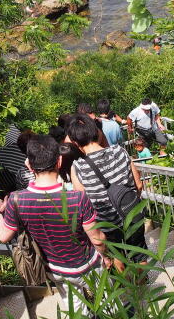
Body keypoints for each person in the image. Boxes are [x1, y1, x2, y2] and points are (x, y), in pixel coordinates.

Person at [0, 135, 110, 316]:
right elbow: (97, 240)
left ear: (29, 165)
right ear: (59, 161)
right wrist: (105, 257)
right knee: (107, 301)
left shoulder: (16, 200)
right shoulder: (77, 198)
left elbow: (4, 236)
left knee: (75, 306)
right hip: (88, 265)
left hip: (56, 269)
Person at [66, 114, 147, 271]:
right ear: (97, 132)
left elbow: (83, 202)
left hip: (107, 224)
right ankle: (143, 289)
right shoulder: (120, 152)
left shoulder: (78, 168)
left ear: (75, 143)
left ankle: (130, 292)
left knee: (117, 255)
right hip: (132, 214)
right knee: (139, 253)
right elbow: (138, 185)